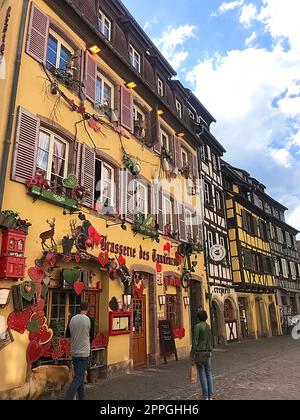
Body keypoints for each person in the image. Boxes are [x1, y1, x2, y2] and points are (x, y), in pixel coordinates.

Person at [64, 302, 92, 400]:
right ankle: (67, 397)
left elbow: (67, 335)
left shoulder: (72, 319)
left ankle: (82, 398)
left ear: (79, 308)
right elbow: (91, 337)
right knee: (79, 378)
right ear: (87, 309)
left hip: (74, 351)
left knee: (79, 376)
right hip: (84, 353)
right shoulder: (88, 320)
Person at [191, 310, 214, 400]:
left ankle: (205, 396)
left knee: (202, 373)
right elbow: (210, 339)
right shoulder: (208, 326)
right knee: (209, 373)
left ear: (198, 317)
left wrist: (192, 353)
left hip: (200, 352)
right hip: (208, 352)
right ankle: (210, 395)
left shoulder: (198, 327)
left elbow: (195, 341)